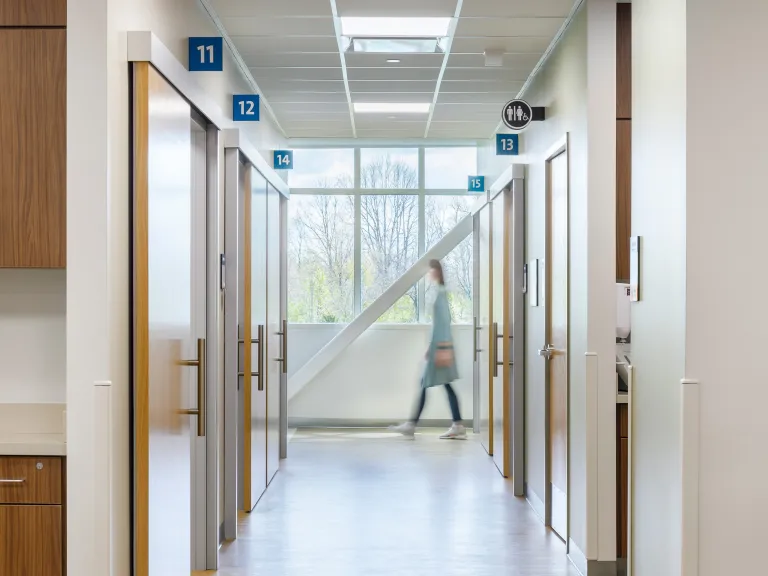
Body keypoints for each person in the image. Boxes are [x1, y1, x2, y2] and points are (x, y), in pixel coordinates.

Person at [390, 259, 466, 440]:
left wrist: (437, 348)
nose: (429, 274)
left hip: (439, 349)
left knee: (429, 384)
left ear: (437, 272)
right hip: (439, 347)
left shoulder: (440, 294)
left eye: (431, 271)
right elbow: (440, 325)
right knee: (440, 384)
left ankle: (413, 424)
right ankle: (456, 424)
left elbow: (442, 324)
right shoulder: (440, 292)